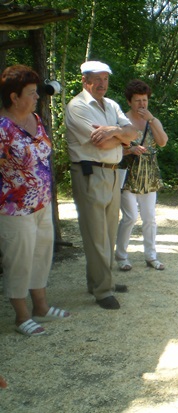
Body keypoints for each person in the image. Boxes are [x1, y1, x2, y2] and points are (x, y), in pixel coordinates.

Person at [0, 65, 70, 336]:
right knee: (19, 261)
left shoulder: (36, 119)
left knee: (41, 255)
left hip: (42, 203)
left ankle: (41, 307)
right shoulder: (3, 127)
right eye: (31, 93)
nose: (37, 96)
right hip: (14, 208)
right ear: (14, 97)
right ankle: (22, 316)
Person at [65, 61, 138, 310]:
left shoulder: (112, 105)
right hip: (90, 173)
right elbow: (102, 144)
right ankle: (103, 289)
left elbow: (134, 133)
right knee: (96, 235)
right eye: (97, 79)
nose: (102, 84)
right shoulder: (77, 106)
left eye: (105, 79)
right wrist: (120, 137)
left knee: (107, 233)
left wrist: (113, 131)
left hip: (113, 174)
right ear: (85, 80)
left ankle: (99, 281)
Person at [115, 80, 168, 271]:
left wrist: (152, 120)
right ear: (129, 102)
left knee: (150, 218)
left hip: (149, 175)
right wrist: (130, 150)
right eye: (137, 101)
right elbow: (112, 152)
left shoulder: (153, 120)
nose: (142, 105)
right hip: (127, 175)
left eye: (144, 100)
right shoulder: (121, 121)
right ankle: (121, 256)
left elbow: (162, 143)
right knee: (130, 217)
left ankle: (151, 256)